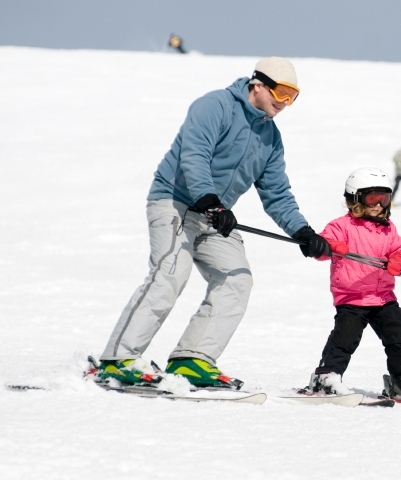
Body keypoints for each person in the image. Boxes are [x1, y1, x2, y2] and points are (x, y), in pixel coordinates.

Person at [95, 57, 331, 389]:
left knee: (237, 279)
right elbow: (195, 154)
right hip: (176, 202)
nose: (285, 103)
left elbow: (276, 193)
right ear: (258, 85)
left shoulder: (271, 138)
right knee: (171, 272)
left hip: (215, 217)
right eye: (281, 92)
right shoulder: (215, 106)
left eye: (293, 96)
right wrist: (209, 201)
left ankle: (191, 359)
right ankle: (117, 359)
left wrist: (302, 231)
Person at [304, 168, 401, 401]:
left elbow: (398, 248)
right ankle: (326, 376)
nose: (378, 204)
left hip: (383, 297)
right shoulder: (342, 226)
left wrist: (400, 259)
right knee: (345, 337)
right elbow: (322, 249)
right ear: (355, 199)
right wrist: (325, 246)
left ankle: (400, 379)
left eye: (384, 198)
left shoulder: (388, 227)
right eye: (372, 198)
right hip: (352, 297)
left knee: (399, 334)